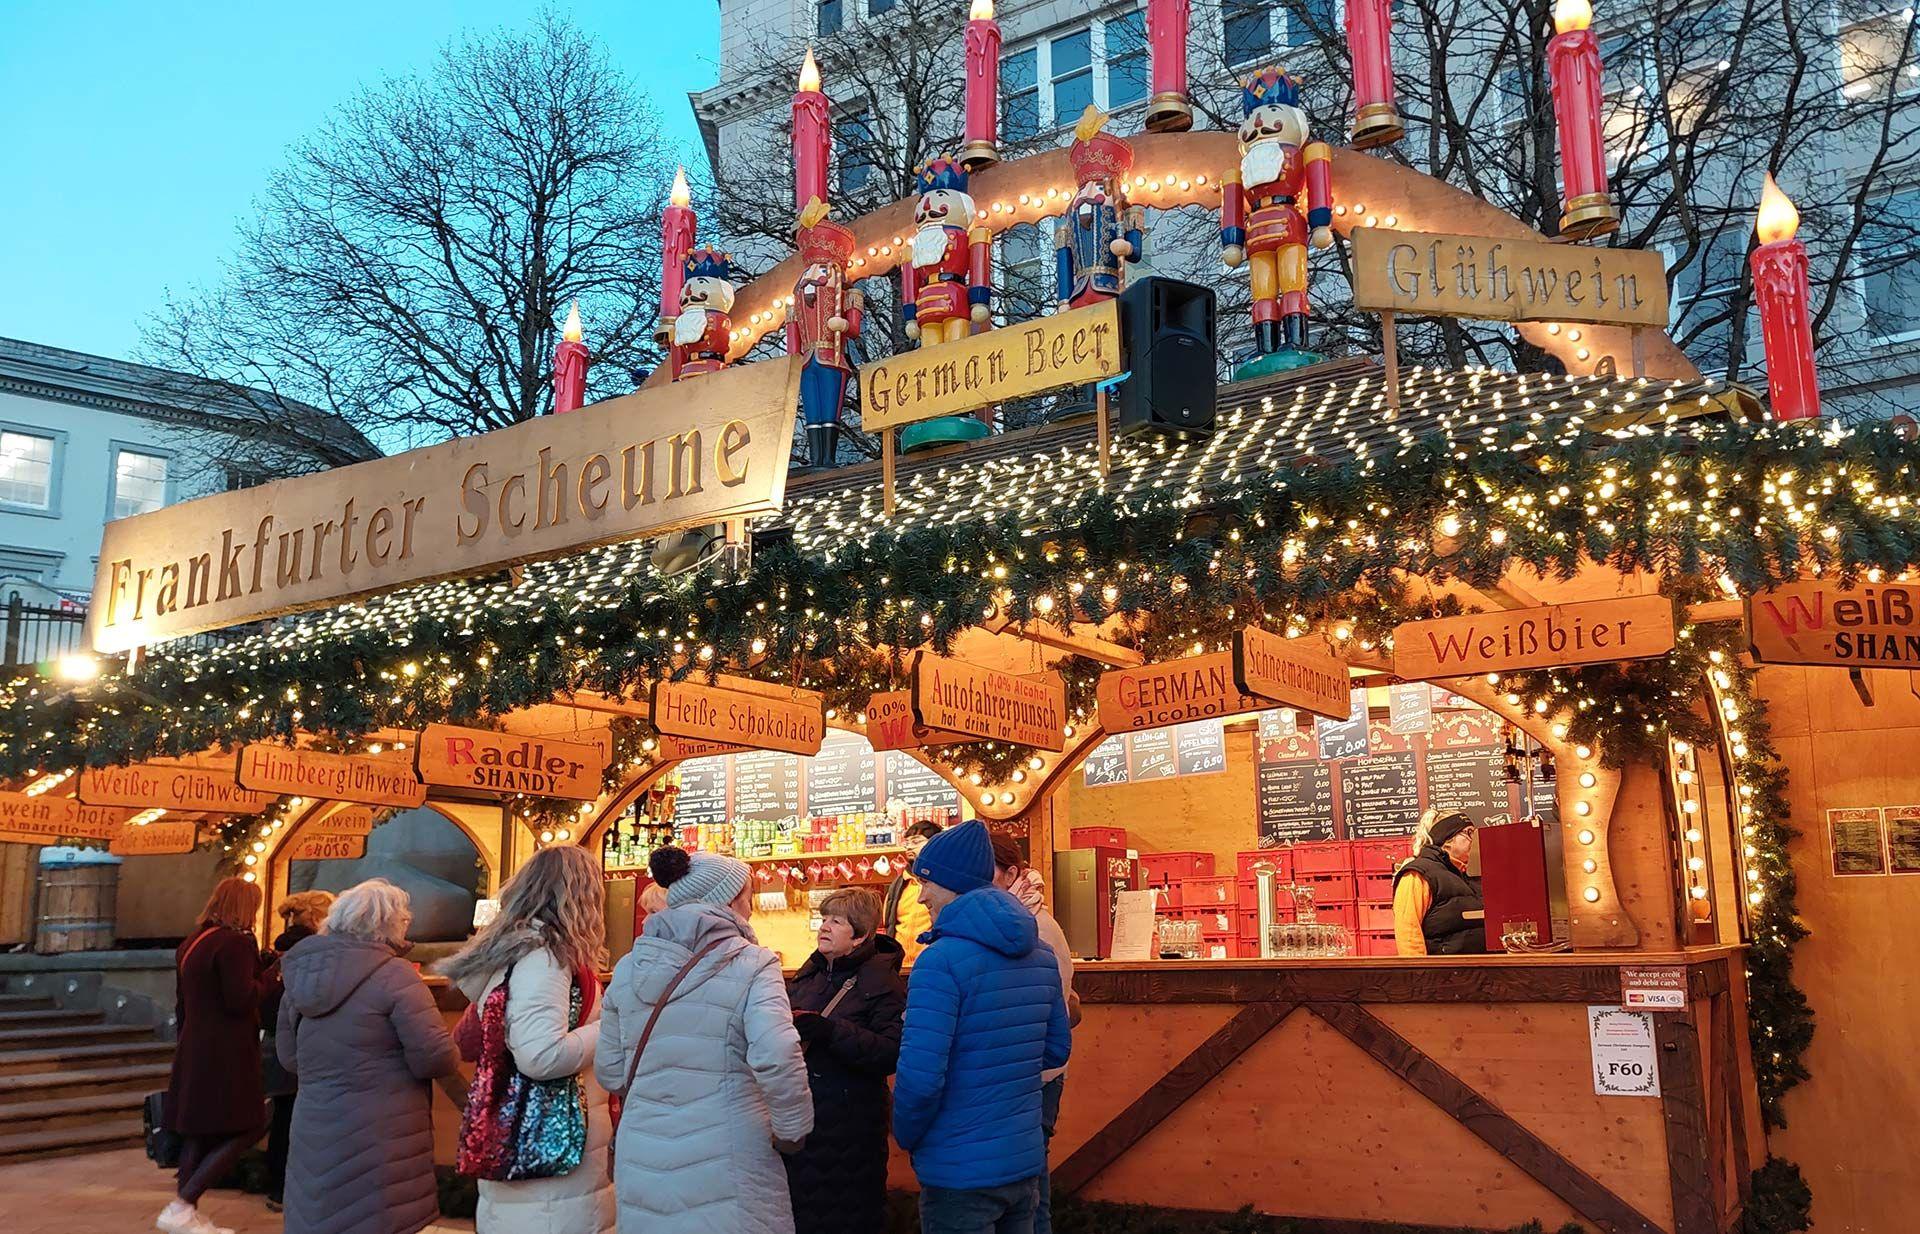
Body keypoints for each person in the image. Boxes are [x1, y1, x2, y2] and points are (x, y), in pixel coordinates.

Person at [594, 848, 813, 1234]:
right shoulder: (754, 964)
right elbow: (777, 1055)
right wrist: (793, 1128)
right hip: (730, 1153)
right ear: (728, 900)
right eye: (746, 896)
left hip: (642, 1153)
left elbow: (610, 1071)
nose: (751, 907)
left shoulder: (628, 968)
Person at [894, 821, 1071, 1234]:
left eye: (926, 882)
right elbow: (1056, 1050)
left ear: (952, 884)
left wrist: (907, 1137)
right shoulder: (1040, 954)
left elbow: (920, 1081)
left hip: (958, 1166)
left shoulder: (938, 961)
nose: (921, 896)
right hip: (1021, 1158)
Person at [439, 845, 615, 1234]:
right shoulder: (545, 957)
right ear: (581, 896)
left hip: (521, 1141)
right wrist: (613, 1027)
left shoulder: (514, 952)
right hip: (550, 1142)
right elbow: (541, 1055)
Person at [277, 879, 461, 1234]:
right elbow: (435, 1058)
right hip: (384, 1129)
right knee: (377, 1218)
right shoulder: (396, 977)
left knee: (322, 1216)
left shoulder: (301, 977)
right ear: (391, 925)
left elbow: (290, 1058)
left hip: (314, 1124)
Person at [157, 876, 277, 1234]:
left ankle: (184, 1211)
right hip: (227, 1049)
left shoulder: (193, 942)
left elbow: (183, 1003)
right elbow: (240, 998)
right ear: (244, 907)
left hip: (195, 1044)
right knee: (253, 1123)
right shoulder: (234, 944)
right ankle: (183, 1203)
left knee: (199, 1130)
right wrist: (273, 976)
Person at [783, 888, 906, 1234]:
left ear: (861, 934)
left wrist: (830, 1031)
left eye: (836, 921)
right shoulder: (810, 972)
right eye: (824, 919)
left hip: (852, 1125)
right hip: (802, 1117)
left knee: (848, 1216)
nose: (824, 927)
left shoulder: (883, 981)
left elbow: (889, 1052)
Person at [988, 836, 1078, 1234]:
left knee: (1031, 1187)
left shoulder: (1034, 926)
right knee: (1025, 1184)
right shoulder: (1009, 923)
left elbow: (1053, 1012)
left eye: (986, 870)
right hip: (1021, 1073)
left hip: (1033, 1075)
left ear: (1011, 873)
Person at [261, 890, 335, 1212]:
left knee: (283, 1116)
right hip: (300, 1042)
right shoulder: (313, 950)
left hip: (275, 1041)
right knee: (298, 1120)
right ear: (318, 918)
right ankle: (288, 1189)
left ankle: (275, 1186)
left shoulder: (281, 948)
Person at [1392, 809, 1488, 956]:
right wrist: (1421, 974)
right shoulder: (1417, 873)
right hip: (1444, 975)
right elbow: (1408, 935)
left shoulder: (1469, 874)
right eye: (1468, 833)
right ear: (1446, 838)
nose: (1473, 839)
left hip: (1479, 974)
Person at [882, 819, 942, 965]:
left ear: (934, 843)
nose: (909, 847)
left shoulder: (944, 883)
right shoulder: (899, 884)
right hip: (899, 966)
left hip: (933, 964)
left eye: (916, 841)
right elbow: (889, 924)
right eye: (907, 842)